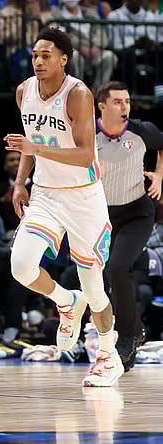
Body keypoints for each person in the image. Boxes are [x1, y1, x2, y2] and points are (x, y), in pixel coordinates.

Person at [5, 27, 122, 387]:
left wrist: (34, 151)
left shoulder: (78, 94)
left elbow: (86, 154)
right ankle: (65, 301)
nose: (38, 61)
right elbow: (31, 141)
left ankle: (108, 354)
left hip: (83, 197)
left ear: (64, 59)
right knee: (21, 266)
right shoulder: (24, 91)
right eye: (35, 55)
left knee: (95, 289)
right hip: (46, 194)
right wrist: (20, 181)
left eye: (46, 56)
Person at [94, 80, 163, 371]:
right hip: (99, 214)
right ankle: (131, 333)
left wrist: (159, 176)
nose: (125, 107)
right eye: (118, 102)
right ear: (102, 106)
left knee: (119, 267)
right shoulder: (86, 132)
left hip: (137, 212)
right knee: (97, 274)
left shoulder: (141, 130)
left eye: (128, 101)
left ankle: (127, 335)